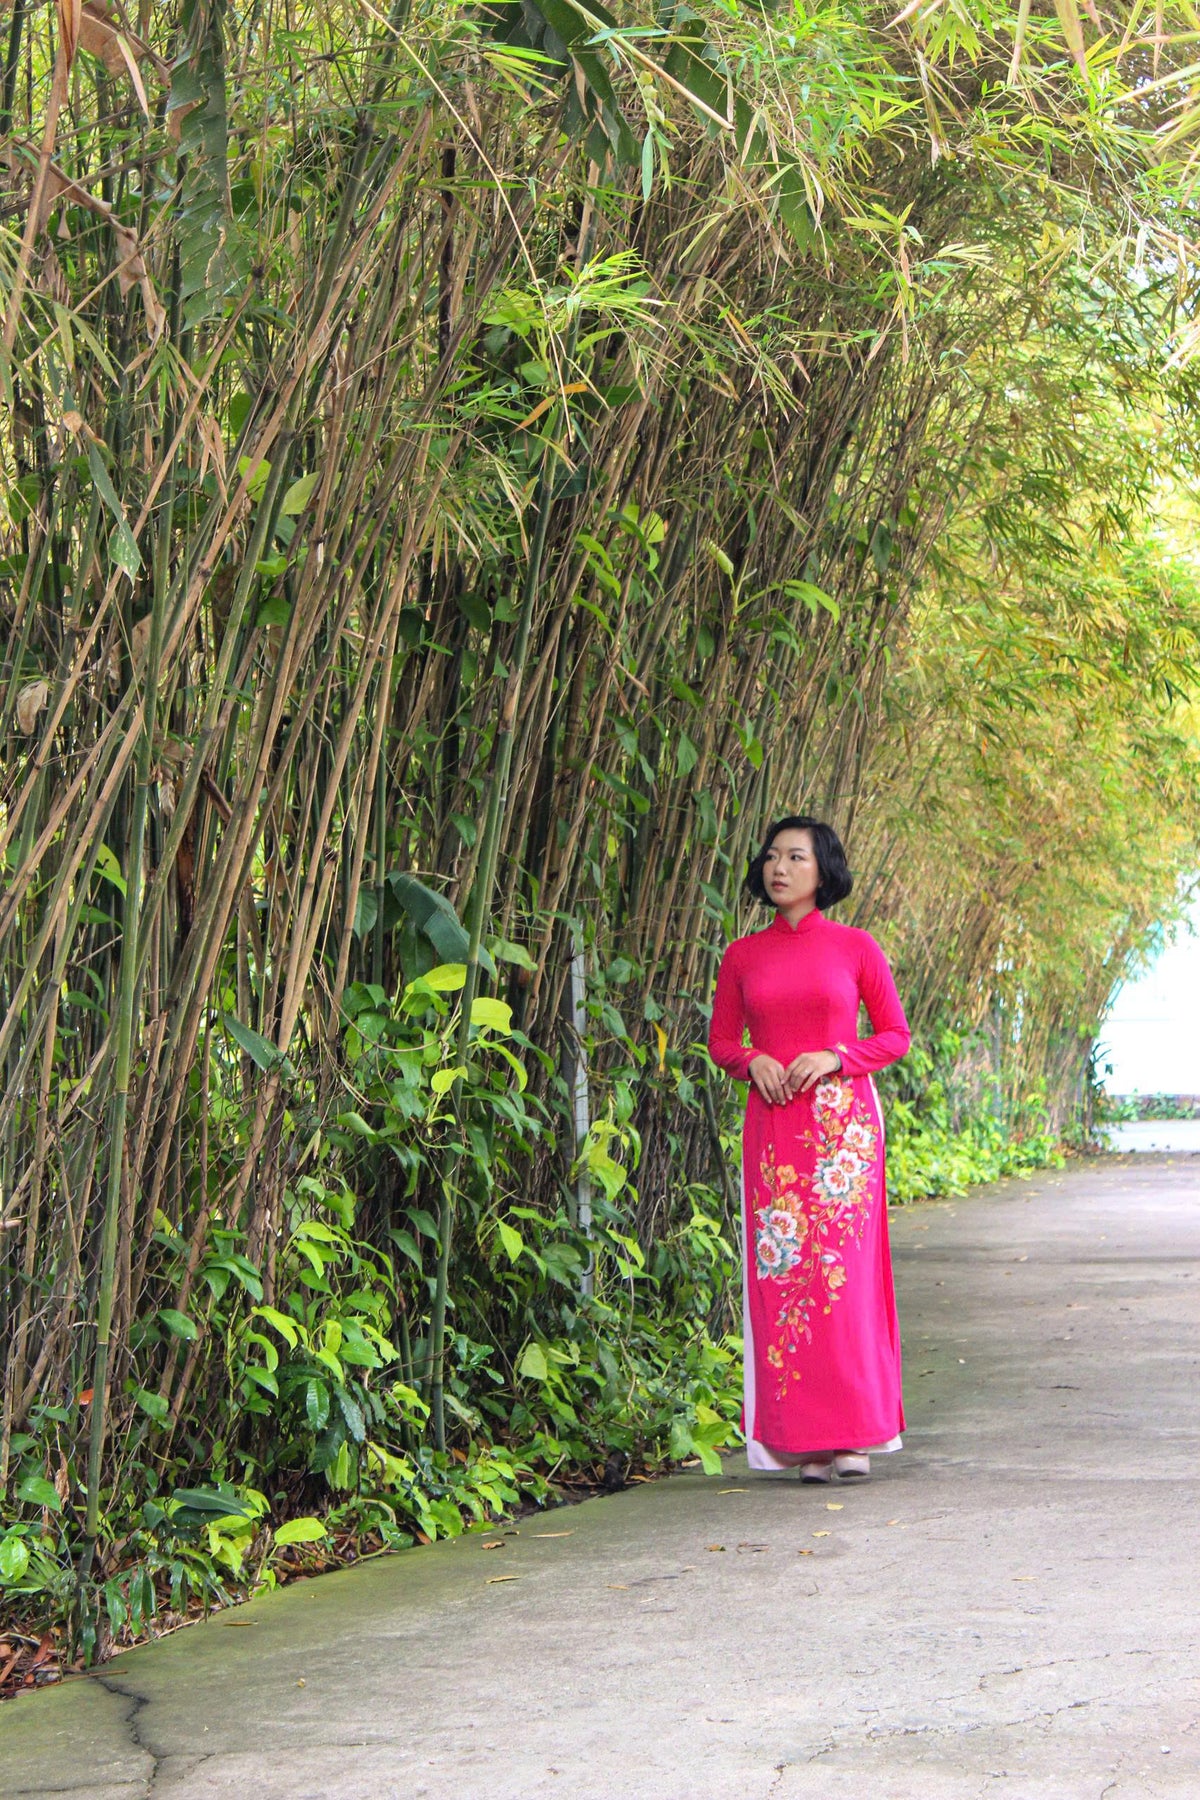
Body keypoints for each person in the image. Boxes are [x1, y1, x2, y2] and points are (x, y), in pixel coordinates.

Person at [707, 815, 911, 1483]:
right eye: (772, 856)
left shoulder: (855, 947)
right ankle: (804, 1441)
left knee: (844, 1282)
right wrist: (750, 1061)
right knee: (785, 1279)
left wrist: (836, 1056)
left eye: (796, 857)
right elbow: (721, 1043)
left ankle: (854, 1436)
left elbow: (894, 1037)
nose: (779, 868)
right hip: (773, 1132)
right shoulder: (742, 955)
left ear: (824, 871)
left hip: (841, 1135)